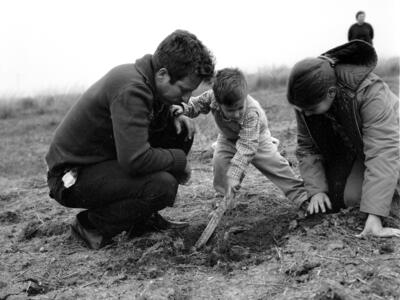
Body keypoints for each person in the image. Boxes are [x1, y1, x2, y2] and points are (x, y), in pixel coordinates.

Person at [45, 30, 215, 249]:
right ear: (162, 74)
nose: (185, 98)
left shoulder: (147, 80)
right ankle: (91, 226)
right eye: (183, 90)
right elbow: (135, 160)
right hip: (70, 177)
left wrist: (174, 112)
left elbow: (145, 128)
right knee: (162, 186)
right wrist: (179, 160)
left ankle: (140, 220)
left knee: (179, 132)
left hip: (102, 161)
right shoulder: (132, 89)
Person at [287, 40, 400, 238]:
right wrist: (317, 191)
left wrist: (374, 217)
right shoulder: (306, 102)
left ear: (331, 93)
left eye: (310, 110)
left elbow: (383, 151)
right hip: (362, 149)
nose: (306, 114)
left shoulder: (371, 92)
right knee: (351, 199)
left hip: (392, 142)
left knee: (377, 204)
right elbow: (307, 147)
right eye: (302, 110)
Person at [172, 68, 309, 209]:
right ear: (218, 103)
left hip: (256, 139)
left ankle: (301, 197)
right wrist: (184, 109)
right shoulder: (212, 97)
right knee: (219, 162)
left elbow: (246, 147)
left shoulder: (251, 112)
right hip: (228, 137)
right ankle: (224, 198)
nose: (237, 114)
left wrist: (235, 174)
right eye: (231, 110)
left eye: (239, 108)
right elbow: (196, 104)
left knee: (275, 164)